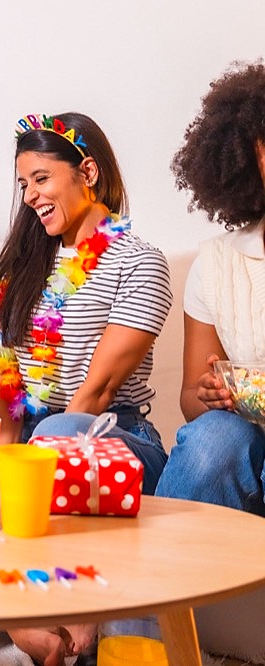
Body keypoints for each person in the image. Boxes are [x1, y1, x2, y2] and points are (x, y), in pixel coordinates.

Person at [0, 112, 173, 666]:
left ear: (86, 171)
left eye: (41, 178)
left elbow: (94, 395)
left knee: (61, 430)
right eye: (23, 184)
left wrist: (36, 464)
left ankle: (88, 613)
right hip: (40, 450)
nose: (30, 196)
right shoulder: (19, 273)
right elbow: (7, 400)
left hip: (120, 442)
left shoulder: (140, 262)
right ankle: (33, 620)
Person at [155, 61, 265, 515]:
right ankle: (169, 581)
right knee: (213, 436)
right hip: (245, 445)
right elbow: (188, 399)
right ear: (254, 153)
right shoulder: (218, 264)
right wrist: (212, 397)